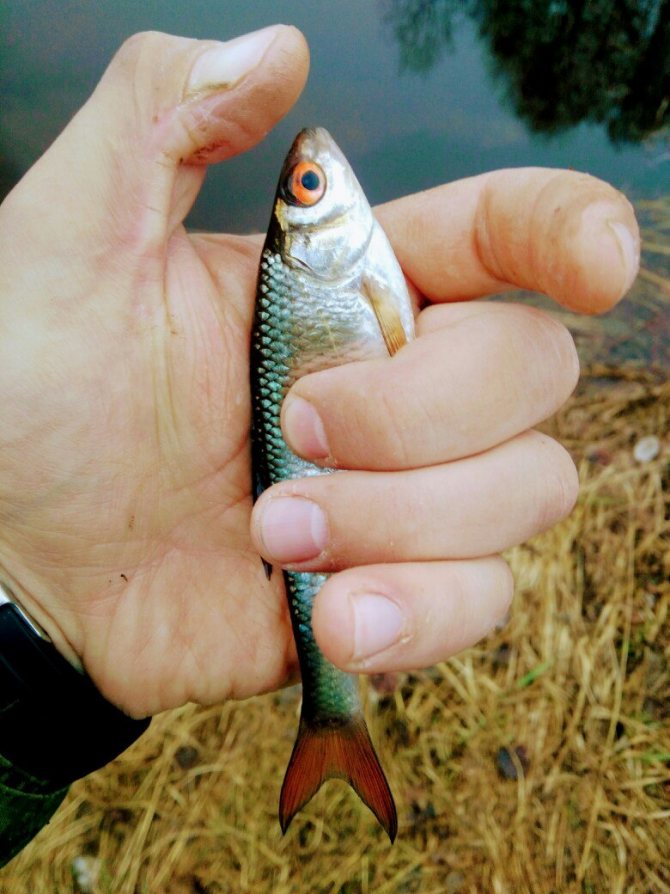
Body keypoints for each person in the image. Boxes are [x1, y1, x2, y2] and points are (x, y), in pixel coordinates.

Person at [0, 25, 639, 867]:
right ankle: (331, 717)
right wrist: (29, 580)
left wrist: (33, 629)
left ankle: (331, 717)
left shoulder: (326, 267)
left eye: (305, 185)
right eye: (309, 185)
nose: (320, 167)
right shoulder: (340, 267)